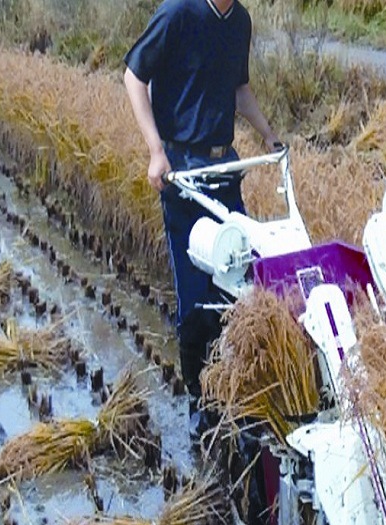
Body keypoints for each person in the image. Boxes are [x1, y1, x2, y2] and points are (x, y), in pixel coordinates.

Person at [123, 0, 281, 434]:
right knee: (196, 300)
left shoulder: (240, 21)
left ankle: (238, 389)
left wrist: (267, 134)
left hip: (224, 168)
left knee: (241, 286)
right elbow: (135, 76)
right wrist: (156, 151)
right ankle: (200, 400)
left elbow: (238, 89)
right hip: (184, 173)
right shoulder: (177, 13)